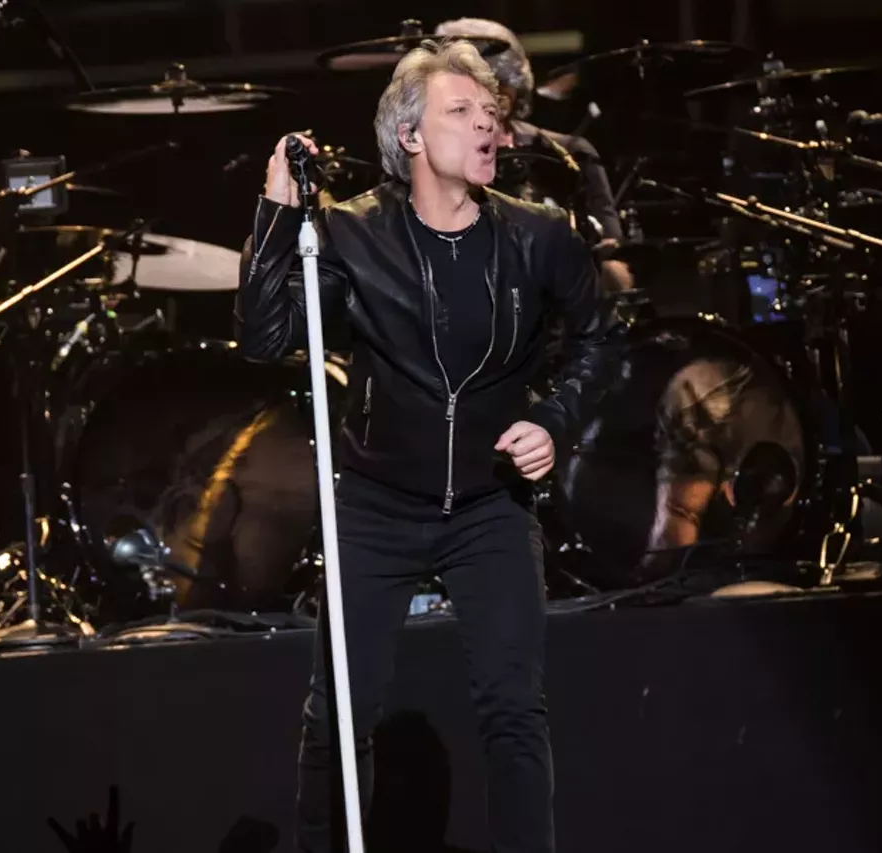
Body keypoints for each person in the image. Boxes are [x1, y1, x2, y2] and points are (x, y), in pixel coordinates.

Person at [234, 39, 616, 853]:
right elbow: (265, 337)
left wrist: (554, 420)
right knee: (338, 712)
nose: (486, 126)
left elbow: (599, 339)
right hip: (377, 502)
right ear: (409, 135)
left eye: (491, 114)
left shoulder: (538, 236)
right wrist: (275, 213)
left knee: (515, 709)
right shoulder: (350, 234)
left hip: (489, 503)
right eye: (461, 111)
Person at [435, 18, 635, 295]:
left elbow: (610, 238)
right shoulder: (427, 158)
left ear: (508, 94)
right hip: (462, 292)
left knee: (614, 274)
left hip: (556, 288)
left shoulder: (568, 152)